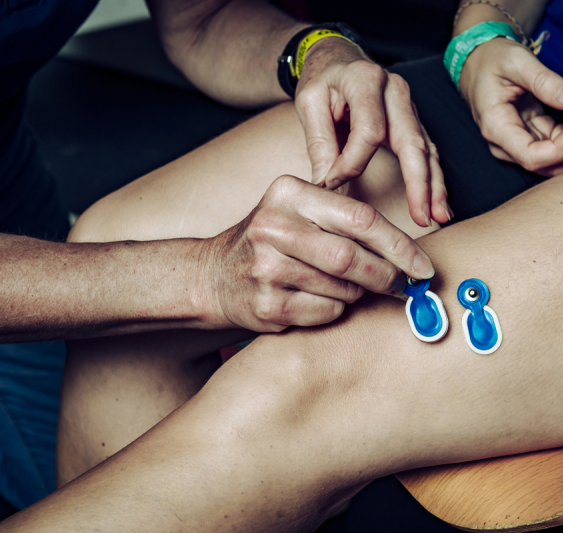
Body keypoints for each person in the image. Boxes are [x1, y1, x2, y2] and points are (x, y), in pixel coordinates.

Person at [4, 0, 563, 531]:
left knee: (303, 382)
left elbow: (202, 18)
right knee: (120, 244)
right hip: (543, 101)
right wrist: (482, 30)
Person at [0, 0, 448, 512]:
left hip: (17, 203)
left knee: (76, 489)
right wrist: (205, 276)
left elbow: (201, 19)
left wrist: (316, 50)